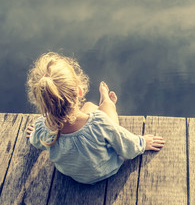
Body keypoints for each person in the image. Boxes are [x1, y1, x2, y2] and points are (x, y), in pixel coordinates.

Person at [26, 52, 165, 184]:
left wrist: (34, 133)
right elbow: (126, 146)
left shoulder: (42, 129)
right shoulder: (99, 123)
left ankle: (102, 105)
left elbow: (36, 141)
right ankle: (107, 103)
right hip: (108, 170)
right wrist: (142, 143)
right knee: (101, 113)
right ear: (79, 91)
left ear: (41, 100)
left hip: (74, 176)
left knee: (88, 107)